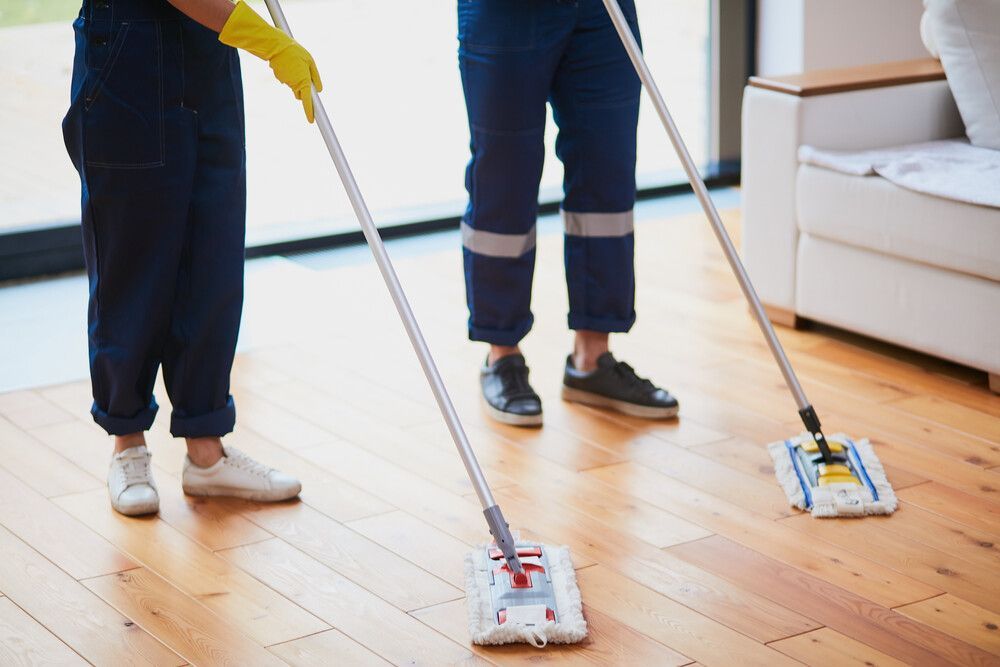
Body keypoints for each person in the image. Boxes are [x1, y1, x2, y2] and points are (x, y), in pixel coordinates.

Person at [61, 0, 321, 515]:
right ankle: (127, 444)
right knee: (131, 265)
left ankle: (207, 451)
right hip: (129, 54)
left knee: (212, 260)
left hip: (208, 51)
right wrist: (268, 41)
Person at [458, 0, 679, 426]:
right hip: (506, 15)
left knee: (606, 173)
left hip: (601, 13)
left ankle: (591, 359)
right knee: (504, 177)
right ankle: (502, 354)